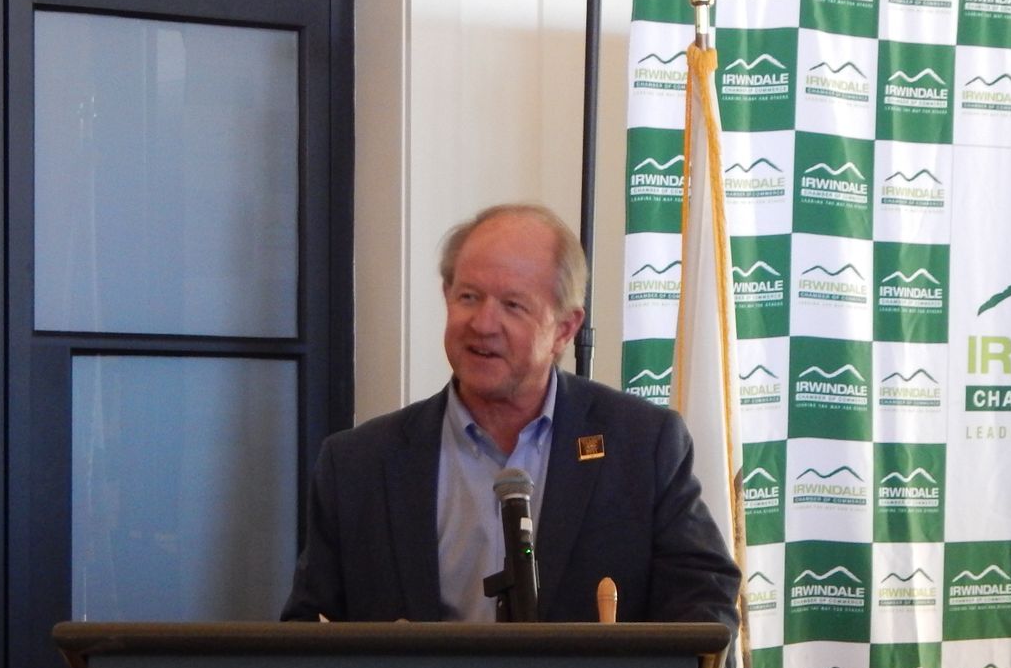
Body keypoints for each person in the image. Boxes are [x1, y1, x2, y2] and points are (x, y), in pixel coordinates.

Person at [280, 202, 741, 633]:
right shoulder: (358, 464)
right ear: (446, 297)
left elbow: (704, 600)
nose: (483, 323)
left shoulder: (641, 445)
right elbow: (310, 630)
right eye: (468, 296)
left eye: (512, 305)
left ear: (565, 328)